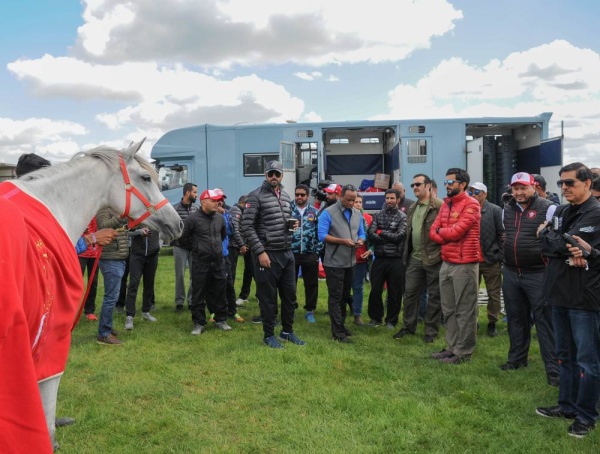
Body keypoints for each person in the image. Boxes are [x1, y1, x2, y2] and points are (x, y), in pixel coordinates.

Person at [536, 163, 600, 438]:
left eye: (570, 183)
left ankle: (586, 415)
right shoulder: (561, 211)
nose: (564, 188)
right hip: (558, 292)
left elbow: (565, 242)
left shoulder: (595, 213)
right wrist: (556, 241)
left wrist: (556, 241)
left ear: (587, 183)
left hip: (583, 297)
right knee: (565, 356)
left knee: (587, 360)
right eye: (561, 184)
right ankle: (567, 406)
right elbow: (546, 241)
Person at [500, 172, 559, 386]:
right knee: (516, 318)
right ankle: (516, 359)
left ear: (533, 186)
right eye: (515, 188)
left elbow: (557, 238)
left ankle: (554, 370)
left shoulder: (549, 208)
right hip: (512, 272)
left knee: (544, 321)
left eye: (523, 187)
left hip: (538, 273)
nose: (519, 192)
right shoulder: (507, 209)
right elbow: (504, 235)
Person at [242, 161, 305, 348]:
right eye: (271, 173)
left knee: (290, 296)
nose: (274, 177)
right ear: (265, 174)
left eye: (277, 173)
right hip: (267, 254)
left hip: (286, 252)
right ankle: (269, 335)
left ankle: (287, 332)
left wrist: (291, 226)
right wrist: (260, 251)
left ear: (282, 175)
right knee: (268, 297)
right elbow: (246, 226)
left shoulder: (285, 197)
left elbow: (280, 222)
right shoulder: (255, 197)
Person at [429, 168, 481, 364]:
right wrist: (444, 232)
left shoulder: (472, 205)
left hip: (465, 264)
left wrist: (443, 232)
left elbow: (456, 233)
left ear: (463, 184)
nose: (447, 186)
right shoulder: (446, 205)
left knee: (465, 310)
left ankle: (463, 351)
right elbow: (432, 232)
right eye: (446, 182)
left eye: (450, 182)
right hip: (447, 262)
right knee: (448, 309)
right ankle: (451, 347)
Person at [395, 174, 442, 343]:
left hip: (433, 257)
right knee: (410, 294)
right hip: (414, 257)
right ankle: (408, 327)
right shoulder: (413, 207)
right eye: (413, 184)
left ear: (428, 186)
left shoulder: (439, 206)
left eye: (418, 184)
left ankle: (431, 332)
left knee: (434, 297)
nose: (415, 187)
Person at [318, 184, 366, 343]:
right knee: (336, 297)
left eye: (354, 200)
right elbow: (322, 235)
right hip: (334, 262)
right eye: (348, 200)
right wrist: (342, 241)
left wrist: (360, 240)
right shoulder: (328, 213)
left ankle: (341, 325)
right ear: (340, 196)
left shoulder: (357, 213)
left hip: (350, 261)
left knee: (345, 296)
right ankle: (337, 332)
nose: (351, 203)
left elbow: (362, 232)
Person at [180, 189, 231, 335]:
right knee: (198, 293)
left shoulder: (219, 218)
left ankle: (221, 319)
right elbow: (183, 238)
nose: (217, 203)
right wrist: (197, 249)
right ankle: (199, 322)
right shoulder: (192, 219)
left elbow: (222, 235)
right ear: (203, 202)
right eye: (214, 201)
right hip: (200, 262)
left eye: (218, 200)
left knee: (220, 291)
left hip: (218, 262)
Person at [367, 189, 407, 329]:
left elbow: (399, 237)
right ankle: (375, 318)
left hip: (396, 259)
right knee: (375, 290)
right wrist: (386, 237)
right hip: (379, 258)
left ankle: (391, 320)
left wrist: (381, 232)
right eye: (387, 198)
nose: (389, 200)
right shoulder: (377, 215)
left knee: (395, 291)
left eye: (392, 198)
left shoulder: (402, 217)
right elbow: (371, 234)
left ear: (397, 199)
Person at [468, 182, 504, 337]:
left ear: (485, 194)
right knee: (470, 293)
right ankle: (472, 321)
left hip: (490, 260)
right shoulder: (468, 209)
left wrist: (499, 256)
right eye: (471, 192)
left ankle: (492, 322)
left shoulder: (495, 210)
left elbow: (502, 234)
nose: (473, 195)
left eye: (477, 192)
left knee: (494, 294)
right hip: (472, 260)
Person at [96, 208, 129, 346]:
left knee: (113, 297)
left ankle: (107, 326)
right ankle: (104, 333)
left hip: (119, 258)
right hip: (110, 259)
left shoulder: (116, 209)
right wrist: (122, 216)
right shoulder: (104, 209)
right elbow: (103, 226)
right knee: (111, 298)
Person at [290, 184, 322, 323]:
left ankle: (310, 310)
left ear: (307, 196)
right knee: (290, 283)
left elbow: (319, 233)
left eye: (302, 195)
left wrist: (317, 251)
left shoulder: (315, 212)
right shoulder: (287, 210)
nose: (299, 197)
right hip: (291, 253)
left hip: (310, 253)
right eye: (297, 194)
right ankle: (290, 306)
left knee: (311, 284)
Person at [215, 189, 244, 323]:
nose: (221, 202)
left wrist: (224, 216)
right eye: (218, 199)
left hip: (225, 254)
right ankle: (215, 312)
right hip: (211, 256)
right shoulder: (206, 215)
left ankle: (232, 311)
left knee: (229, 283)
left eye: (222, 199)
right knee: (213, 285)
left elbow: (230, 231)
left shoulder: (227, 212)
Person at [123, 227, 160, 330]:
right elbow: (126, 232)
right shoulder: (136, 214)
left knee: (149, 284)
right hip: (137, 255)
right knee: (133, 284)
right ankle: (130, 316)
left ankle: (146, 311)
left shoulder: (155, 216)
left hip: (153, 255)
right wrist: (138, 232)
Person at [172, 183, 198, 312]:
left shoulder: (196, 209)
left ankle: (192, 301)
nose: (196, 195)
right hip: (179, 247)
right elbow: (171, 227)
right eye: (194, 192)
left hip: (194, 248)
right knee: (180, 275)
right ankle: (179, 303)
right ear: (187, 193)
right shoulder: (175, 209)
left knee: (195, 275)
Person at [228, 195, 254, 306]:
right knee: (230, 273)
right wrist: (242, 245)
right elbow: (235, 230)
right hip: (232, 246)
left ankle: (242, 296)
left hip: (242, 245)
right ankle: (229, 300)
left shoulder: (241, 211)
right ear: (243, 203)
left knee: (249, 269)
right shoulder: (236, 211)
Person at [352, 194, 372, 325]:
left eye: (360, 202)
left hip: (361, 257)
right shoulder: (346, 216)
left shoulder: (368, 218)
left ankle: (357, 314)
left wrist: (371, 250)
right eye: (355, 202)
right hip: (345, 257)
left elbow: (373, 237)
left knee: (358, 287)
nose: (358, 204)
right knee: (344, 287)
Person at [79, 218, 100, 321]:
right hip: (81, 253)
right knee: (77, 282)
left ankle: (89, 311)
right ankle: (72, 310)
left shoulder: (98, 212)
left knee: (93, 283)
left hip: (94, 254)